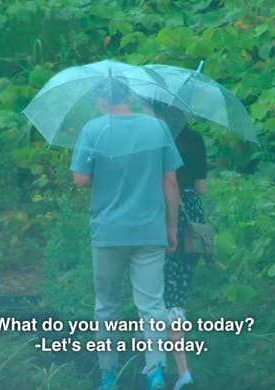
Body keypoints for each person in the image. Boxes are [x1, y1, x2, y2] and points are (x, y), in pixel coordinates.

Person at [70, 79, 183, 390]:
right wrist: (171, 227)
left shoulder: (93, 130)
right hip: (150, 231)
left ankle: (108, 376)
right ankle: (156, 371)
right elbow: (170, 183)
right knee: (151, 305)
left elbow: (80, 180)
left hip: (108, 232)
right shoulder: (156, 128)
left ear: (101, 101)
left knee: (106, 305)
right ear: (127, 98)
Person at [148, 102, 208, 390]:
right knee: (177, 295)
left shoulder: (157, 138)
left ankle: (167, 366)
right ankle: (180, 368)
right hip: (193, 220)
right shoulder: (195, 139)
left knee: (157, 295)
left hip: (165, 215)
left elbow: (161, 181)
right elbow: (201, 188)